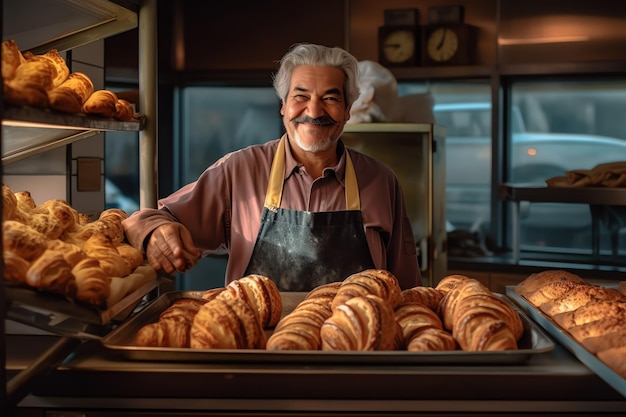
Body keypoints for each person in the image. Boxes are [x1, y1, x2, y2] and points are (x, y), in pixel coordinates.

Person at [123, 43, 421, 291]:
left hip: (355, 352)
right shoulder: (239, 171)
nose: (314, 111)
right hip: (257, 353)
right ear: (283, 106)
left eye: (330, 98)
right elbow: (148, 219)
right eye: (301, 97)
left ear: (347, 111)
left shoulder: (381, 181)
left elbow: (407, 289)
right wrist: (156, 233)